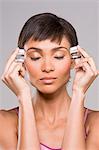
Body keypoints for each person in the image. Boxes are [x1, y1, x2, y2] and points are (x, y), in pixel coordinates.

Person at [0, 12, 99, 150]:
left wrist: (79, 93)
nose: (47, 67)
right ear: (21, 61)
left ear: (73, 60)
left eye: (58, 56)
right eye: (35, 57)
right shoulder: (4, 123)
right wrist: (23, 96)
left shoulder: (95, 124)